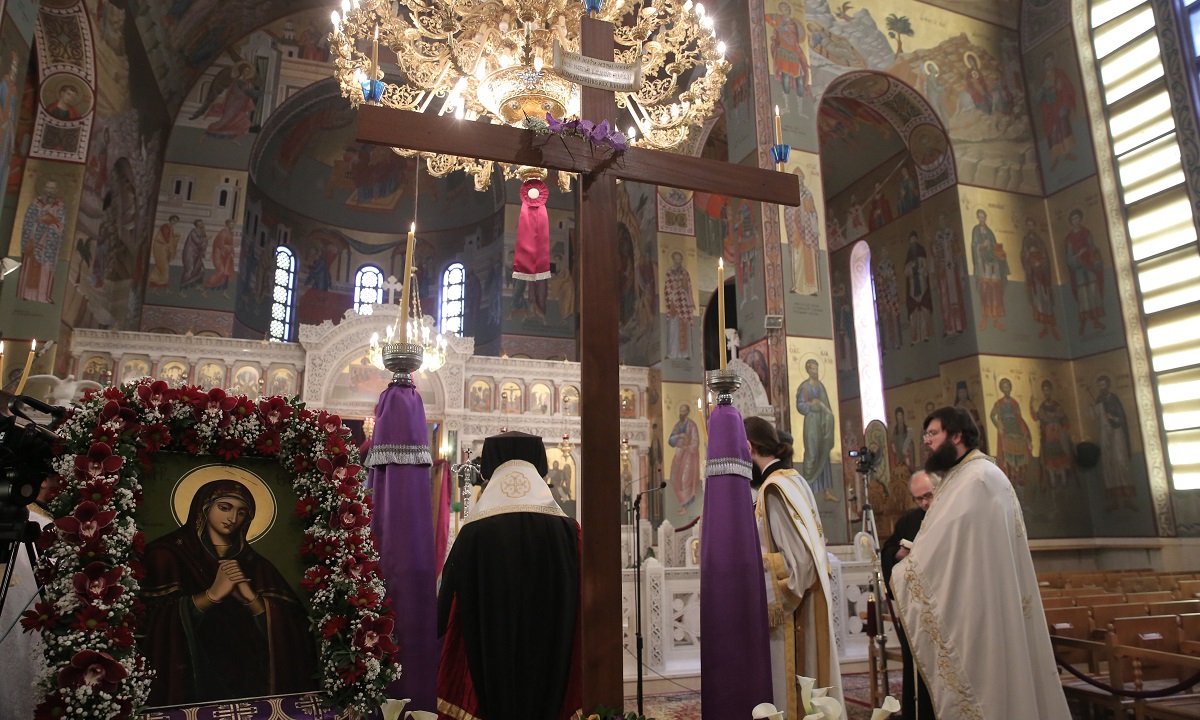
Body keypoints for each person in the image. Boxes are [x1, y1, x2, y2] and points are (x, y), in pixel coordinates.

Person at [892, 408, 1070, 720]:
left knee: (990, 687)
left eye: (933, 433)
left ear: (956, 436)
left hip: (983, 603)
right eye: (925, 435)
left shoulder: (977, 479)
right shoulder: (967, 476)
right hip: (980, 596)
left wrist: (906, 569)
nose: (926, 441)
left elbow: (952, 544)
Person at [437, 431, 582, 720]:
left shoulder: (473, 532)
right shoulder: (567, 531)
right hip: (551, 650)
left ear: (490, 465)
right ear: (540, 463)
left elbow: (449, 601)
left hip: (490, 657)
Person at [140, 479, 317, 706]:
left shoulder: (257, 565)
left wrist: (253, 600)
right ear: (204, 508)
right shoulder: (166, 555)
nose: (232, 518)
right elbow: (153, 625)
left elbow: (297, 631)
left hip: (249, 684)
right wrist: (211, 595)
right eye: (224, 508)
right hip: (191, 685)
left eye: (241, 512)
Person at [746, 416, 842, 714]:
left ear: (748, 447)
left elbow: (799, 563)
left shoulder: (774, 489)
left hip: (793, 616)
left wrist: (751, 573)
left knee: (792, 694)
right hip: (807, 604)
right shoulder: (793, 480)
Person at [880, 471, 935, 720]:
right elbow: (889, 549)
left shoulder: (948, 517)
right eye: (918, 499)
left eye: (928, 496)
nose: (924, 503)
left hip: (943, 605)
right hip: (916, 608)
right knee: (916, 667)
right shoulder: (910, 520)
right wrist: (897, 554)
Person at [796, 359, 839, 502]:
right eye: (813, 369)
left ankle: (826, 491)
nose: (816, 372)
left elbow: (826, 406)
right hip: (811, 423)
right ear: (808, 370)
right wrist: (811, 404)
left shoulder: (820, 387)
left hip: (822, 423)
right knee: (811, 453)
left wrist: (824, 410)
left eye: (817, 369)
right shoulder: (804, 387)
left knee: (824, 454)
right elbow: (800, 405)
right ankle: (808, 490)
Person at [971, 209, 1009, 330]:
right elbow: (974, 246)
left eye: (983, 217)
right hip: (983, 265)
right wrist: (982, 246)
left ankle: (996, 319)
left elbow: (995, 246)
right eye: (979, 217)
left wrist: (999, 253)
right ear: (977, 218)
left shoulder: (990, 232)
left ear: (986, 217)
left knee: (995, 291)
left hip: (993, 265)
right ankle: (985, 318)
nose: (981, 219)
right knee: (985, 290)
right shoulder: (975, 230)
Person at [668, 402, 702, 513]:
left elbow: (696, 441)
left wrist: (687, 446)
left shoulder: (692, 425)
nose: (681, 413)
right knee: (675, 478)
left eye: (683, 411)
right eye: (680, 411)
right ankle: (683, 505)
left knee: (685, 479)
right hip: (679, 455)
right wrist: (679, 436)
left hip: (689, 456)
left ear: (687, 412)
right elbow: (671, 441)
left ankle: (686, 505)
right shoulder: (677, 426)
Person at [664, 251, 694, 359]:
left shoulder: (685, 273)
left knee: (684, 327)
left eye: (679, 259)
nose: (677, 261)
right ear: (673, 260)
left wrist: (683, 286)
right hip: (673, 302)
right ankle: (672, 353)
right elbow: (667, 287)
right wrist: (674, 291)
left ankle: (684, 354)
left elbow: (688, 288)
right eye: (676, 259)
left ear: (681, 260)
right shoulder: (669, 272)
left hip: (683, 303)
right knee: (673, 327)